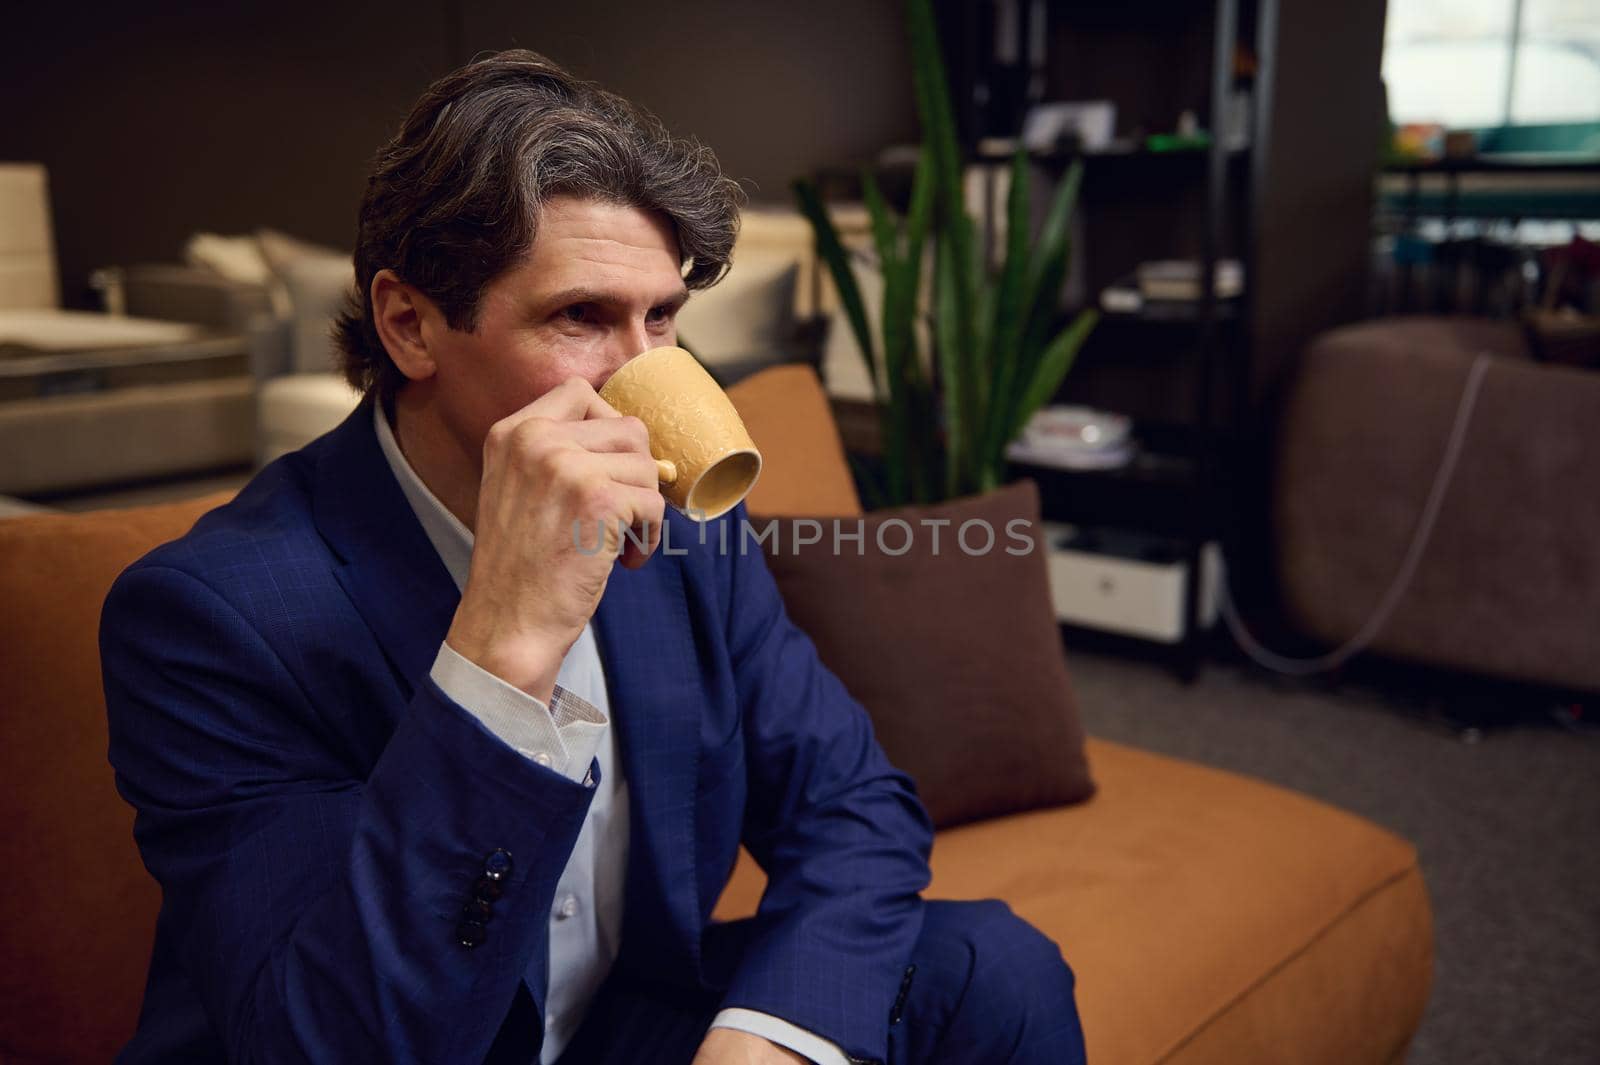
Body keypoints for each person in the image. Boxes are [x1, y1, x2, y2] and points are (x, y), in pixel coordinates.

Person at [100, 49, 1086, 1065]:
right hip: (422, 1036)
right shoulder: (212, 613)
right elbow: (335, 1040)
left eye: (660, 317)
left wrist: (765, 1040)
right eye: (580, 317)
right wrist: (502, 646)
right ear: (409, 325)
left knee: (993, 969)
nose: (644, 375)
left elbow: (853, 808)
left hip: (613, 1019)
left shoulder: (686, 523)